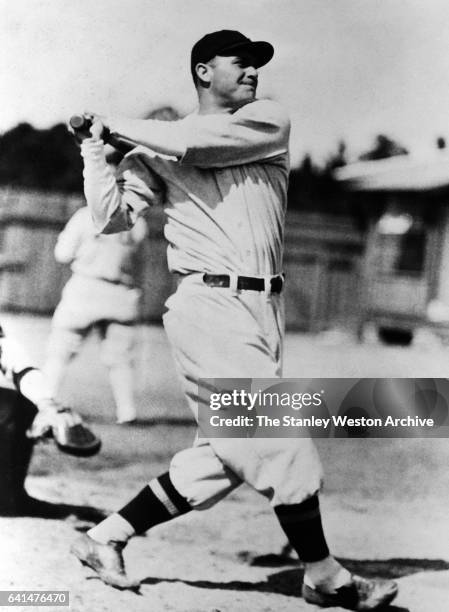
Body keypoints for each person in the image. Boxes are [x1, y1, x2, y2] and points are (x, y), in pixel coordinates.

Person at [70, 30, 398, 609]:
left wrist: (110, 121)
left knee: (222, 454)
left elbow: (194, 143)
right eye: (239, 61)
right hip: (208, 306)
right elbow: (111, 220)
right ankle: (325, 577)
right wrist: (95, 149)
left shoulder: (265, 122)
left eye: (256, 63)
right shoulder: (154, 155)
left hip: (263, 310)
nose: (252, 72)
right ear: (202, 71)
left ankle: (106, 537)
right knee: (279, 436)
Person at [43, 201, 148, 424]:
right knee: (120, 359)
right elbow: (140, 264)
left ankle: (43, 401)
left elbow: (62, 253)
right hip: (121, 292)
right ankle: (127, 411)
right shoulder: (137, 222)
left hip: (86, 287)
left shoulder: (85, 216)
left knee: (59, 351)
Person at [0, 321, 101, 518]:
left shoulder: (6, 346)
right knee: (16, 403)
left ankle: (8, 496)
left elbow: (24, 370)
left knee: (22, 402)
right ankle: (9, 499)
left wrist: (47, 405)